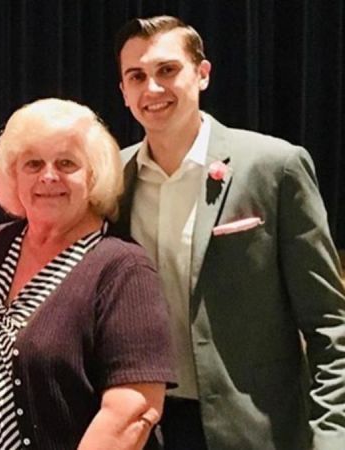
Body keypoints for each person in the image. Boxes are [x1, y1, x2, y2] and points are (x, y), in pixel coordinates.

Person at [112, 15, 345, 450]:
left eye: (168, 70)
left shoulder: (275, 167)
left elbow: (328, 325)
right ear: (124, 92)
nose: (153, 89)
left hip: (255, 430)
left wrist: (332, 436)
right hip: (145, 428)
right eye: (137, 76)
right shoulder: (112, 178)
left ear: (202, 74)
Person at [0, 98, 175, 450]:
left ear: (94, 175)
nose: (48, 176)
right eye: (33, 163)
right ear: (12, 174)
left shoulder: (123, 268)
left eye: (66, 163)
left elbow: (133, 408)